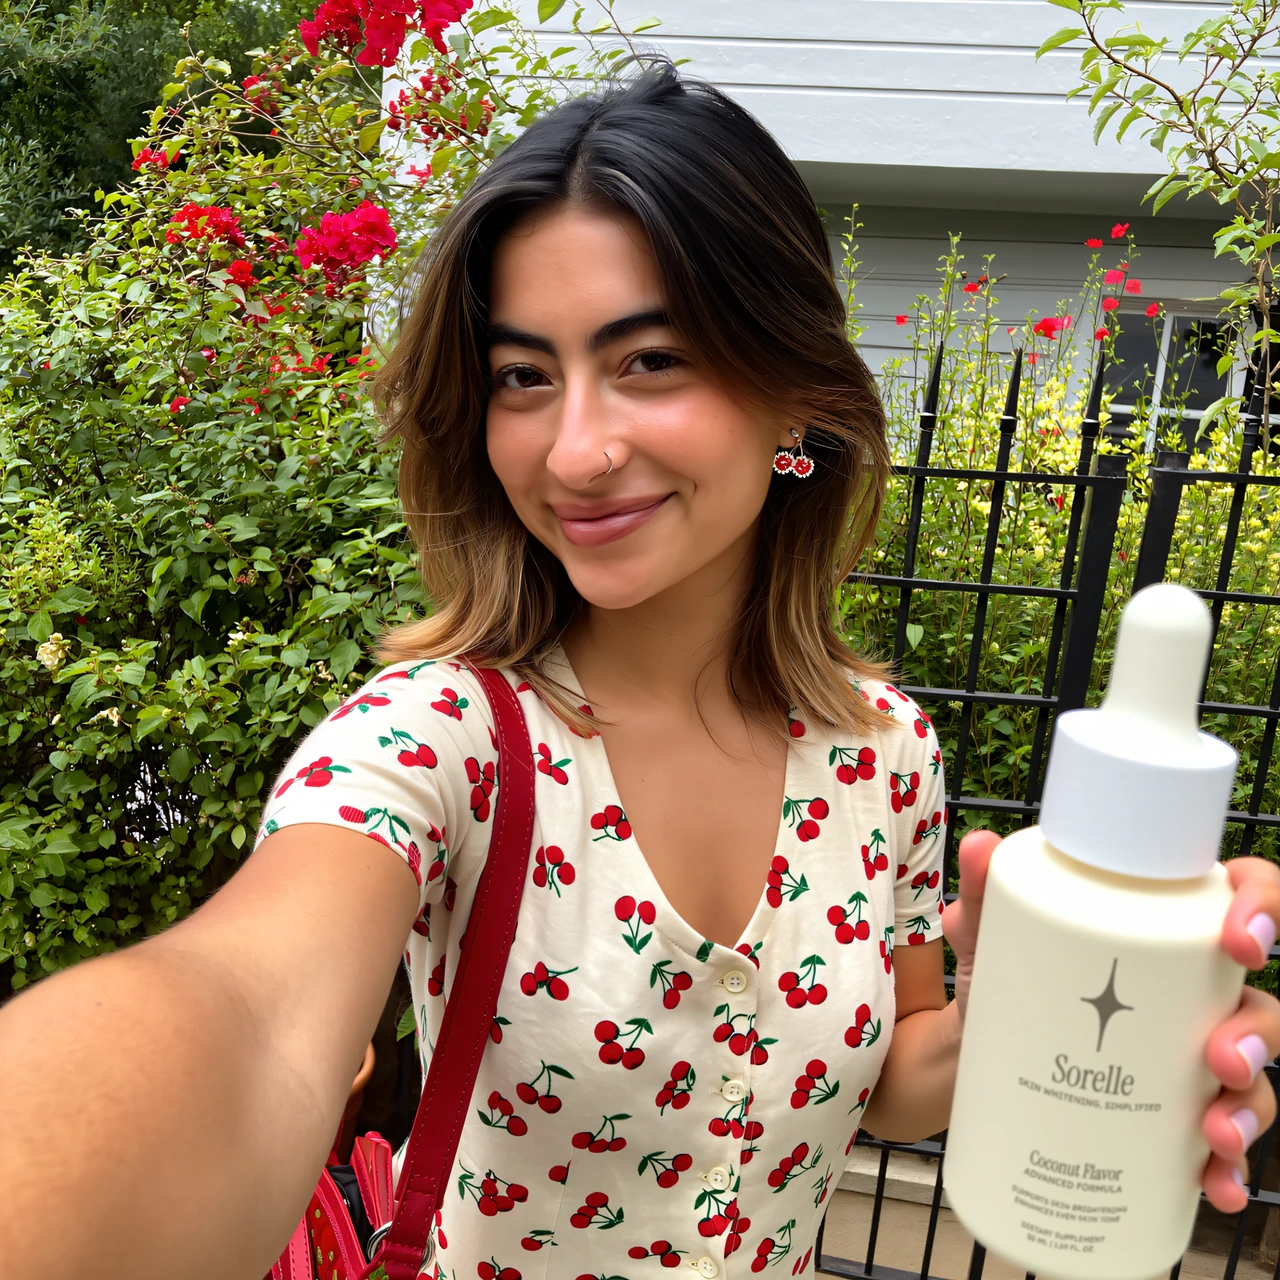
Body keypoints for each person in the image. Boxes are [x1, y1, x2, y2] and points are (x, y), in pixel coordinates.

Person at [2, 60, 1277, 1280]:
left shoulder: (885, 750)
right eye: (522, 376)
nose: (574, 449)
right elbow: (244, 1014)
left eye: (646, 360)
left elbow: (894, 1082)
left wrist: (1070, 1008)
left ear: (791, 397)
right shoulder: (436, 739)